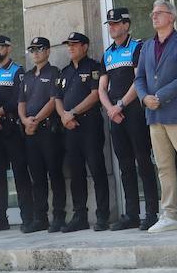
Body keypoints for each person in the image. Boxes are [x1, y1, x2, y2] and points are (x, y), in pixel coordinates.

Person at [134, 0, 177, 234]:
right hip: (154, 115)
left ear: (172, 17)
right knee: (164, 167)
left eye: (160, 13)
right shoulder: (146, 47)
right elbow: (140, 78)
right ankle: (170, 215)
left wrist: (160, 96)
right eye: (153, 13)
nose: (154, 16)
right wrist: (144, 97)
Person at [99, 8, 159, 232]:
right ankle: (132, 214)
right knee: (124, 164)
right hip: (115, 114)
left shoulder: (138, 47)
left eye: (116, 23)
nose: (112, 27)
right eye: (110, 24)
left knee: (143, 161)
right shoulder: (107, 53)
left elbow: (139, 80)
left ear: (126, 24)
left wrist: (120, 105)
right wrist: (110, 109)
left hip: (133, 110)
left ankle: (151, 212)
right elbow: (101, 88)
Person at [0, 36, 35, 234]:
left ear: (9, 49)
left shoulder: (17, 71)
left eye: (0, 46)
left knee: (20, 174)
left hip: (11, 129)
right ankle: (0, 217)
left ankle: (28, 217)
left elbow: (17, 101)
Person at [57, 31, 111, 232]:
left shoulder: (94, 67)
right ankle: (79, 216)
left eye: (75, 44)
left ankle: (103, 216)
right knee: (76, 173)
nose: (70, 48)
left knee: (97, 169)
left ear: (85, 46)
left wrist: (72, 113)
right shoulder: (64, 72)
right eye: (68, 45)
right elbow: (57, 98)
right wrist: (64, 116)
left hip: (89, 126)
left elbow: (96, 94)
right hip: (69, 128)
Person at [19, 37, 66, 233]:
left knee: (55, 174)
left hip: (47, 129)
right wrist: (25, 121)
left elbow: (53, 100)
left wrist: (36, 120)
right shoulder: (27, 76)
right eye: (32, 50)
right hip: (30, 131)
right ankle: (41, 218)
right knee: (37, 177)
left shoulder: (54, 72)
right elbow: (21, 102)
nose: (35, 53)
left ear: (47, 51)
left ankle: (59, 217)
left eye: (39, 49)